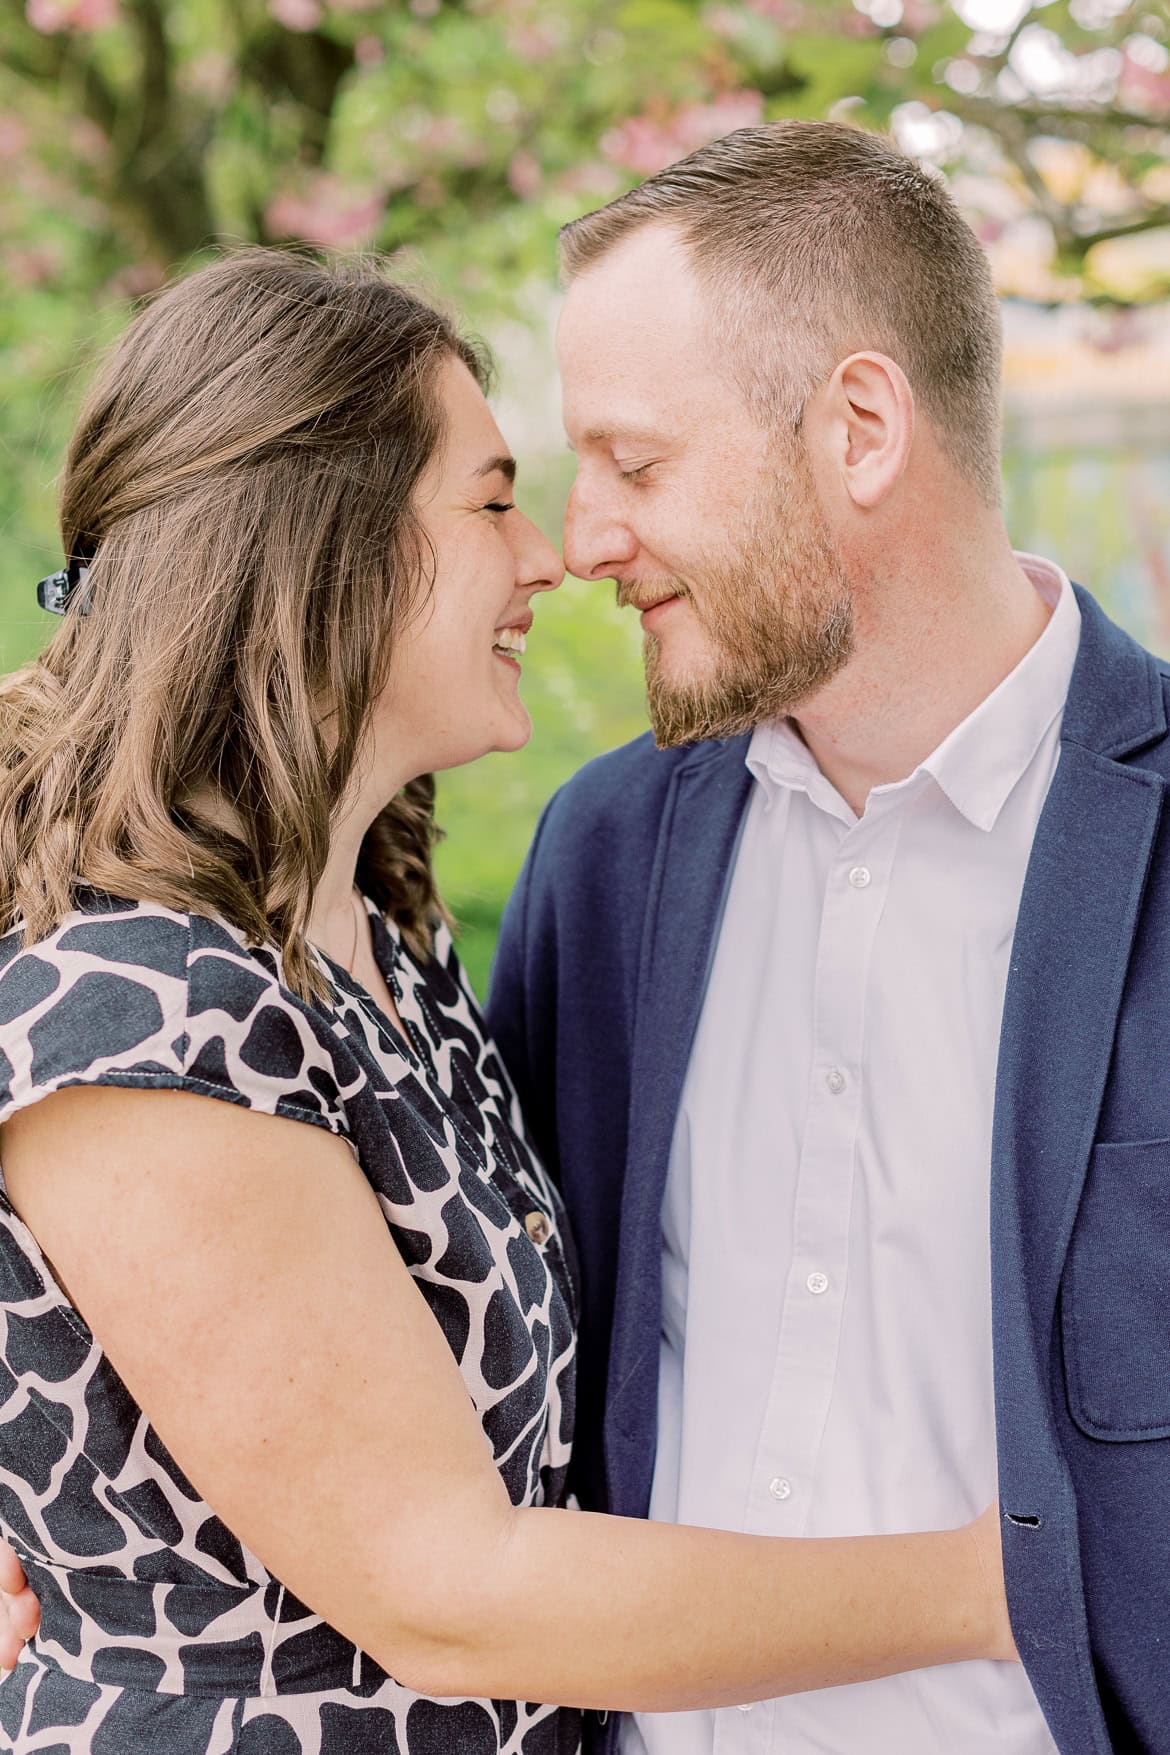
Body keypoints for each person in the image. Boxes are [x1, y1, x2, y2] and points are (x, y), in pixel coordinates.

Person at [0, 249, 1012, 1754]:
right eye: (490, 501)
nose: (549, 557)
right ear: (319, 544)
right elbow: (457, 1592)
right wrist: (1028, 1577)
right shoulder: (139, 1006)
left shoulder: (375, 944)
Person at [485, 121, 1170, 1755]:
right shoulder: (601, 860)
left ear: (860, 427)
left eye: (636, 466)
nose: (584, 542)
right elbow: (468, 1334)